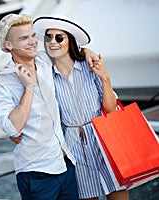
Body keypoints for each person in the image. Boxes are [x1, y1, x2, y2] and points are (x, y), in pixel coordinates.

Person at [31, 15, 130, 200]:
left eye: (59, 37)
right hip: (73, 146)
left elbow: (110, 109)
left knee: (118, 193)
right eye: (48, 37)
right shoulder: (47, 77)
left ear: (70, 41)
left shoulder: (90, 66)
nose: (53, 42)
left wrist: (105, 78)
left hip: (104, 138)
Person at [0, 13, 80, 200]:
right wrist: (28, 88)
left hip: (64, 161)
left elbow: (72, 51)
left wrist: (89, 53)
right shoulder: (0, 83)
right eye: (23, 38)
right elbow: (12, 128)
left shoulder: (45, 63)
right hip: (36, 172)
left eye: (32, 36)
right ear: (8, 45)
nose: (32, 42)